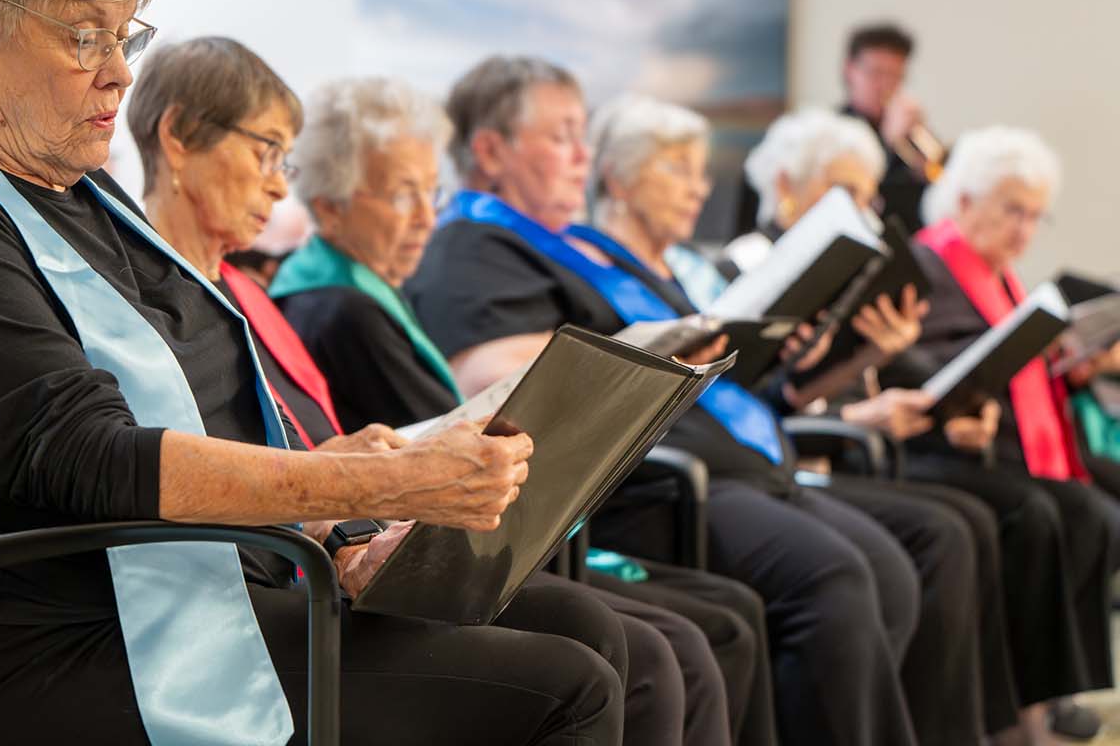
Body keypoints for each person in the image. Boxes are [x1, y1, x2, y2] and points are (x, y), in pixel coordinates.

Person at [0, 0, 644, 746]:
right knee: (568, 687)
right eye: (84, 34)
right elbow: (85, 458)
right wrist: (386, 483)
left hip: (195, 578)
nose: (119, 71)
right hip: (47, 649)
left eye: (125, 33)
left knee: (583, 626)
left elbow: (190, 403)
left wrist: (339, 518)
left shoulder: (80, 195)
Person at [127, 40, 711, 746]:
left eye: (286, 159)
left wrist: (360, 491)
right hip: (271, 579)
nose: (283, 188)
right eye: (267, 152)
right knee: (610, 663)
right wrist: (361, 508)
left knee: (613, 629)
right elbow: (209, 470)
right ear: (179, 139)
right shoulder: (245, 301)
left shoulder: (245, 293)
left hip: (337, 543)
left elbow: (299, 445)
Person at [404, 55, 932, 746]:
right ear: (490, 149)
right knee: (827, 579)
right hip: (637, 489)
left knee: (886, 564)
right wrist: (654, 353)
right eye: (563, 135)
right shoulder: (472, 245)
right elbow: (493, 379)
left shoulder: (567, 248)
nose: (581, 156)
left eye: (584, 135)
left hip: (714, 462)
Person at [253, 73, 770, 746]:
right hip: (407, 557)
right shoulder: (336, 307)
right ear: (331, 203)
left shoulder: (374, 292)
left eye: (427, 191)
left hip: (454, 539)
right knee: (674, 648)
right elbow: (431, 449)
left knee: (718, 620)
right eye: (399, 193)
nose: (424, 218)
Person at [880, 126, 1120, 741]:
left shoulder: (1002, 274)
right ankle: (1022, 701)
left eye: (1036, 217)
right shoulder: (930, 266)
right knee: (1041, 513)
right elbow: (920, 366)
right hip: (934, 446)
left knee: (1087, 512)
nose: (1024, 231)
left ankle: (1052, 686)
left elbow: (1016, 369)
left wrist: (1068, 365)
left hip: (995, 444)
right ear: (964, 202)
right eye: (1013, 211)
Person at [838, 23, 940, 233]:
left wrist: (921, 168)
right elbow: (864, 202)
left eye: (895, 75)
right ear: (849, 70)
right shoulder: (834, 131)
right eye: (876, 73)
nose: (885, 85)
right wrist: (887, 145)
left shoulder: (912, 132)